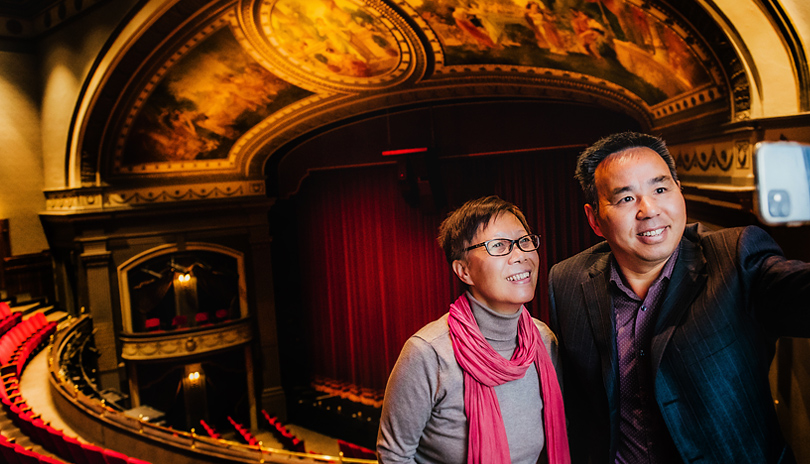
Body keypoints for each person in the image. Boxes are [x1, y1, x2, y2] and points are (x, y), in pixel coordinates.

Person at [548, 131, 810, 463]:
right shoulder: (567, 280)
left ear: (679, 191)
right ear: (595, 219)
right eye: (626, 198)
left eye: (660, 189)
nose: (649, 209)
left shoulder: (735, 258)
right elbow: (580, 406)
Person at [377, 195, 570, 464]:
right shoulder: (428, 353)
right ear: (464, 271)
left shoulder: (544, 340)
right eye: (499, 246)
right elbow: (394, 456)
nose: (520, 256)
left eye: (524, 241)